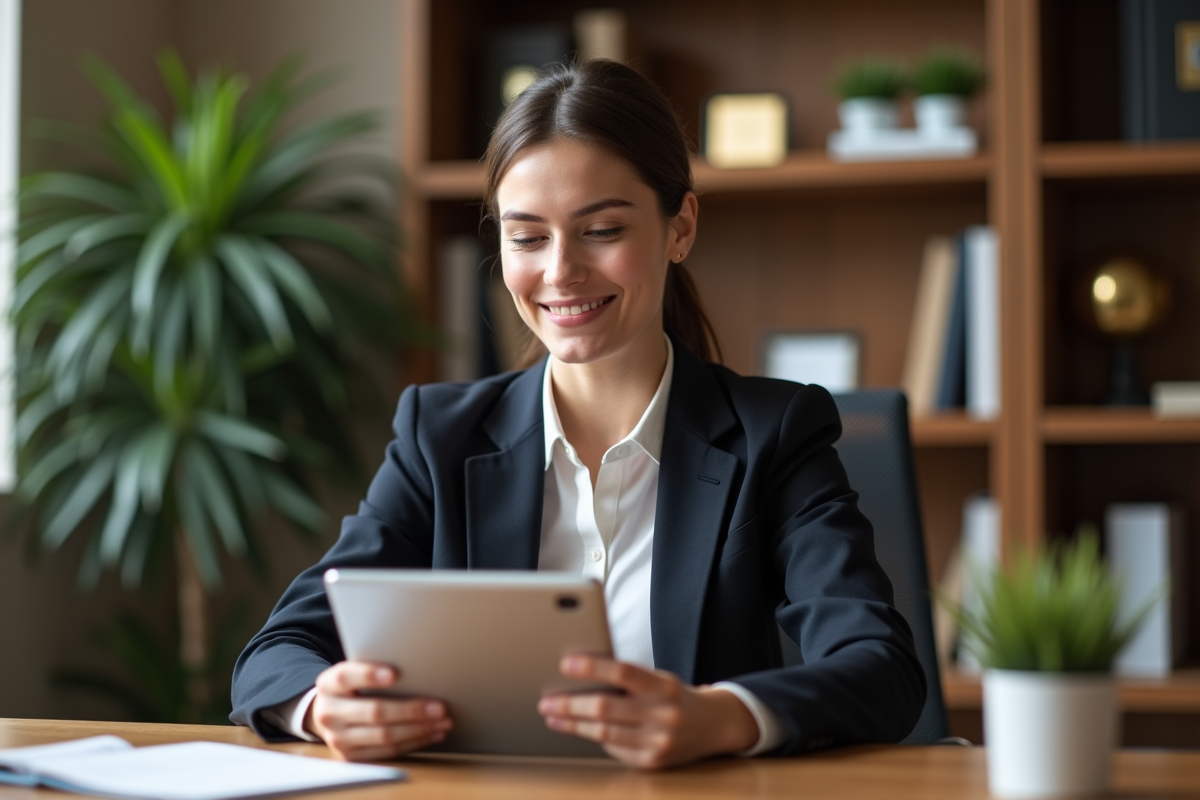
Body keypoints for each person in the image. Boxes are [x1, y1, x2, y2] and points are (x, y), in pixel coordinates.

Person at [230, 60, 925, 769]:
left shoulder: (775, 434)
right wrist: (322, 707)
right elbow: (275, 654)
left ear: (680, 227)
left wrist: (721, 717)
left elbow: (881, 667)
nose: (560, 271)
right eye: (528, 237)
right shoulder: (439, 437)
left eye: (601, 230)